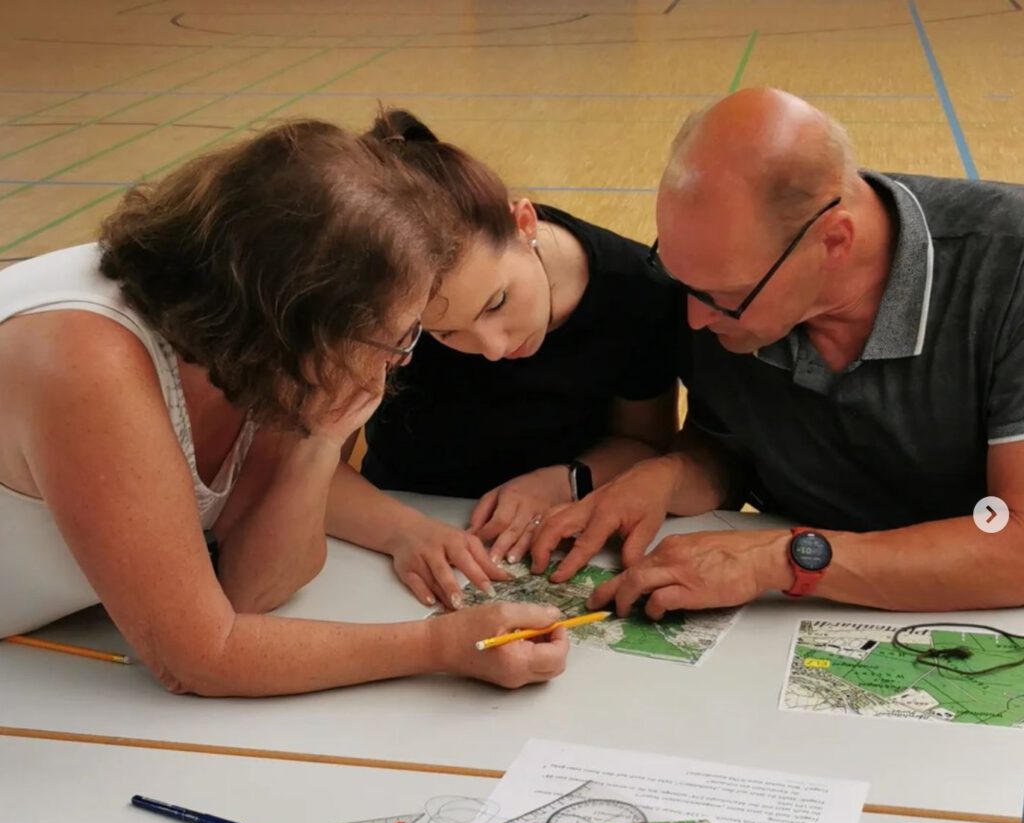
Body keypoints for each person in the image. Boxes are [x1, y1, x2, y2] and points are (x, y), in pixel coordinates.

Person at [0, 120, 568, 696]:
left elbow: (251, 590)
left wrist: (320, 440)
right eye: (398, 335)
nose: (400, 359)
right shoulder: (89, 362)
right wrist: (437, 646)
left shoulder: (253, 337)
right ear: (305, 323)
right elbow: (197, 657)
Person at [530, 88, 1024, 616]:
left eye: (724, 295)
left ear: (835, 241)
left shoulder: (1007, 266)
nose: (695, 319)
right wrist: (669, 475)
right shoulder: (720, 283)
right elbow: (733, 450)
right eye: (679, 279)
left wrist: (783, 560)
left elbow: (1015, 543)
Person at [325, 109, 682, 610]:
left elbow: (648, 444)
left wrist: (567, 481)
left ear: (524, 223)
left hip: (562, 539)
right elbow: (305, 473)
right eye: (443, 333)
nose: (493, 348)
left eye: (496, 302)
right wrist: (403, 530)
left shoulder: (638, 291)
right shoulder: (379, 308)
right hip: (393, 536)